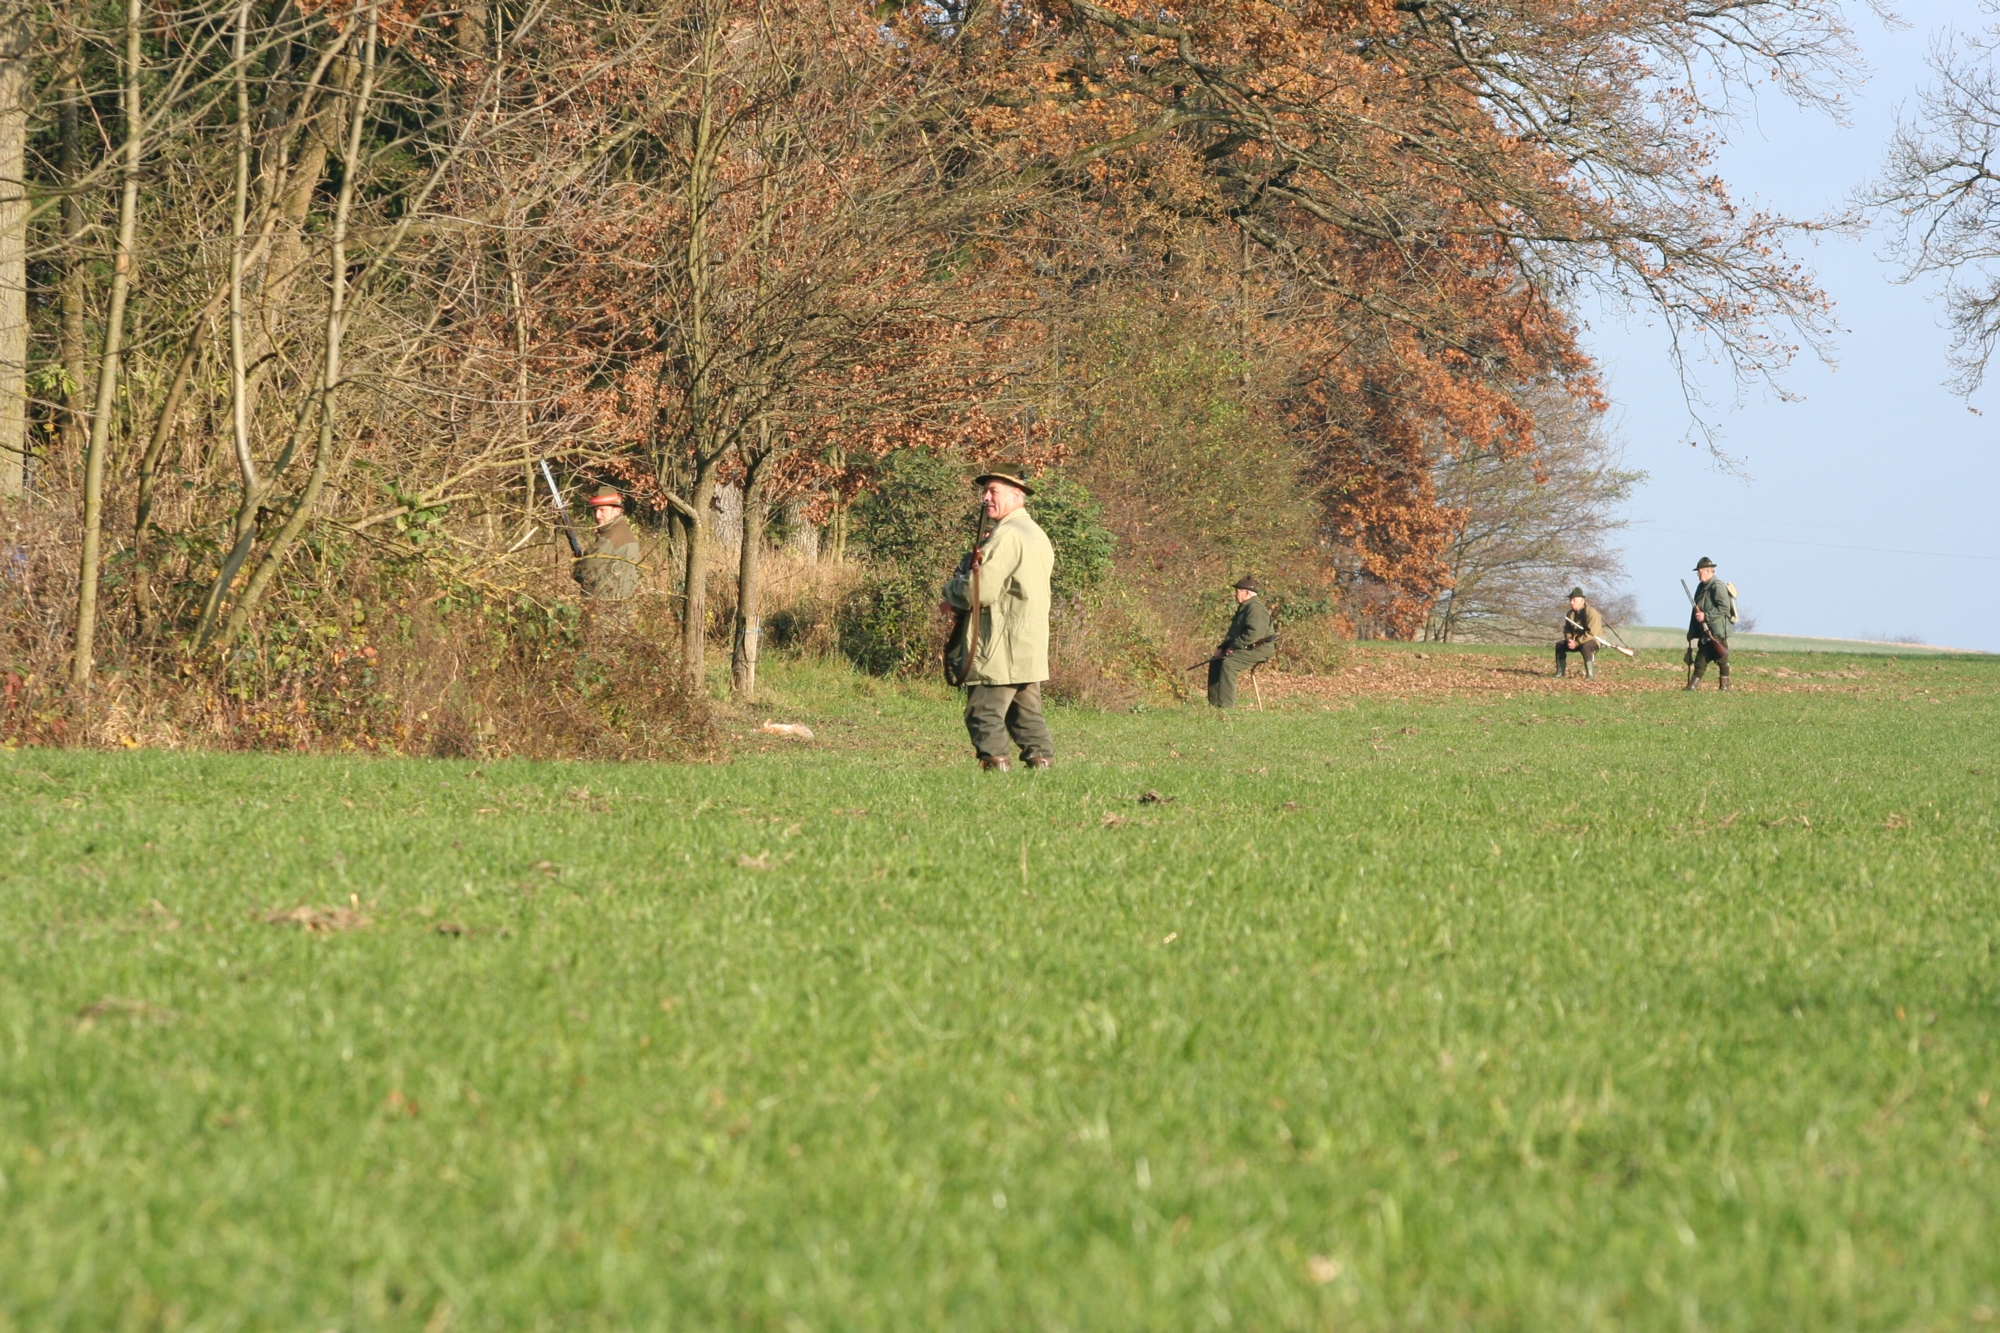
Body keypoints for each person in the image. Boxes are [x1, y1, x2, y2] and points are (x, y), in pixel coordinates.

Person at [940, 465, 1056, 771]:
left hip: (1001, 643)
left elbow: (982, 590)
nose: (986, 498)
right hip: (1026, 643)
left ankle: (995, 774)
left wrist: (951, 590)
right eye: (985, 491)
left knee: (983, 712)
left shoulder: (1007, 535)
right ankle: (1042, 770)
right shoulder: (1035, 533)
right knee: (1025, 713)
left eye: (994, 491)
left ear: (1017, 495)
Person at [1207, 575, 1276, 708]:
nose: (1235, 594)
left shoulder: (1255, 608)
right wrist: (1222, 647)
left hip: (1260, 648)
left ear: (1246, 592)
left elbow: (1254, 634)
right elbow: (1234, 634)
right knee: (1216, 661)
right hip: (1247, 646)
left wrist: (1234, 646)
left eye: (1237, 591)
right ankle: (1214, 705)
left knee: (1229, 664)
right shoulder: (1245, 608)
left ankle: (1226, 707)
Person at [573, 485, 641, 601]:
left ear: (617, 511)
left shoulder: (609, 538)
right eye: (595, 510)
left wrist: (577, 564)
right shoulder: (625, 532)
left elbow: (584, 575)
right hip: (622, 605)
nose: (597, 515)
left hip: (604, 608)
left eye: (602, 510)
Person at [1685, 556, 1733, 691]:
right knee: (1701, 659)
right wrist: (1692, 632)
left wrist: (1706, 615)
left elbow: (1724, 607)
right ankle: (1692, 686)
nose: (1698, 574)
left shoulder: (1717, 586)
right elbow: (1695, 612)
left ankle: (1724, 687)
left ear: (1707, 571)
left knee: (1722, 659)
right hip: (1705, 631)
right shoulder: (1701, 586)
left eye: (1699, 571)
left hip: (1717, 630)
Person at [1556, 587, 1605, 679]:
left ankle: (1590, 675)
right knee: (1559, 645)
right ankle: (1560, 673)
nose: (1571, 602)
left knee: (1585, 646)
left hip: (1593, 640)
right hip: (1576, 640)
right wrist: (1570, 640)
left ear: (1582, 600)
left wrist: (1577, 643)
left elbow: (1592, 633)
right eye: (1571, 600)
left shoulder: (1592, 613)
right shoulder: (1570, 614)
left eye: (1574, 600)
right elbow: (1567, 629)